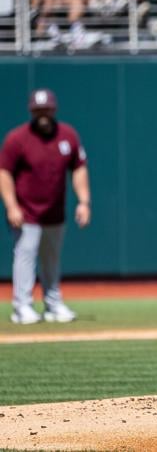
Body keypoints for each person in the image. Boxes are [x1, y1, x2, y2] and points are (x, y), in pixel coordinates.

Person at [0, 89, 91, 325]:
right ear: (31, 110)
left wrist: (83, 201)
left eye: (46, 109)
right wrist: (11, 205)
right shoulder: (17, 138)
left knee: (51, 259)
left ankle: (53, 304)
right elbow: (4, 173)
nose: (43, 114)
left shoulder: (67, 135)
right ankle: (22, 306)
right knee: (25, 255)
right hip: (27, 211)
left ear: (54, 109)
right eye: (38, 109)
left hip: (54, 212)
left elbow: (79, 168)